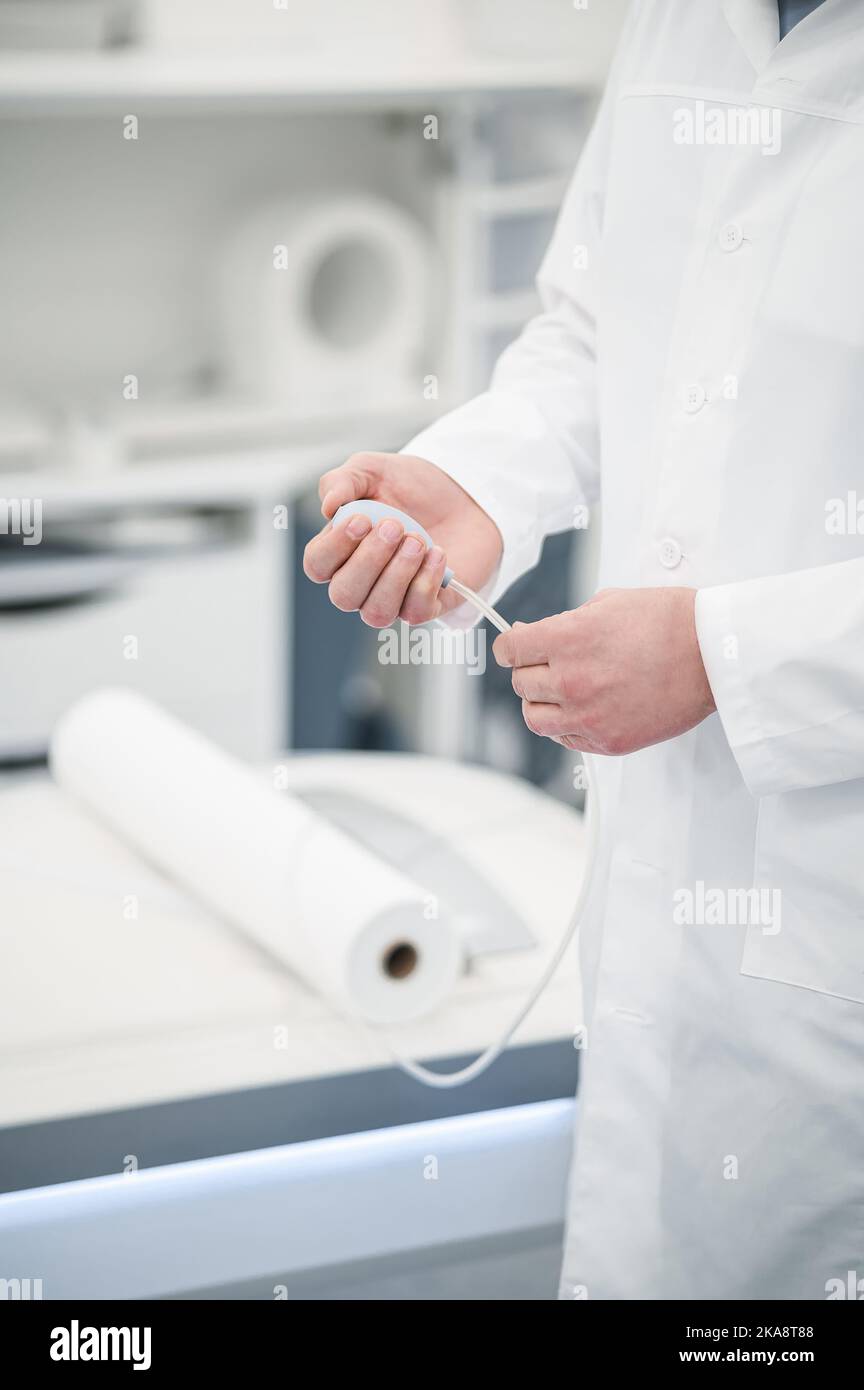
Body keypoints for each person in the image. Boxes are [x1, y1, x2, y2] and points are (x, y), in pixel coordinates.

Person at [304, 0, 864, 1300]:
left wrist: (729, 657)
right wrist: (478, 487)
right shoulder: (681, 20)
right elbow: (601, 322)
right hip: (664, 904)